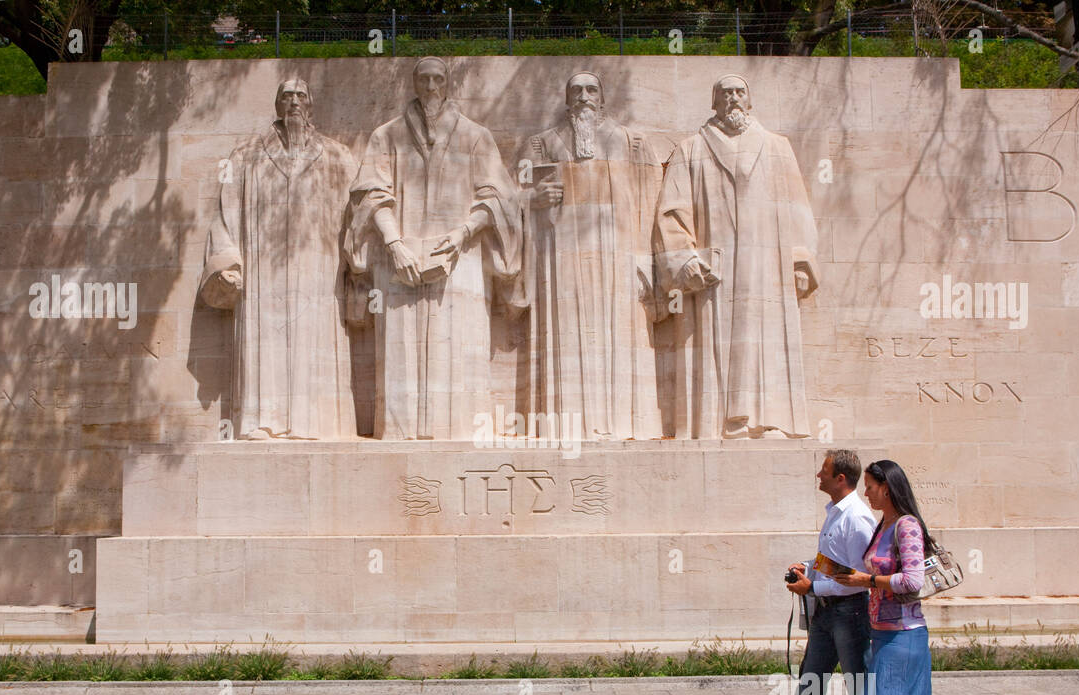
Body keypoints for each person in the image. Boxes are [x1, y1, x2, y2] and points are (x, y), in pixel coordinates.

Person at [344, 57, 520, 440]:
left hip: (461, 256)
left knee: (460, 351)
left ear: (448, 84)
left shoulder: (475, 136)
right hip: (399, 258)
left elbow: (498, 196)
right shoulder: (386, 135)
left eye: (438, 78)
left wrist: (462, 234)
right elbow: (371, 194)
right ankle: (400, 439)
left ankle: (461, 437)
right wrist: (393, 243)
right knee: (400, 355)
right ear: (414, 84)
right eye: (423, 78)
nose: (430, 86)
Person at [652, 74, 819, 439]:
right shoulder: (690, 150)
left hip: (767, 265)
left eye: (739, 92)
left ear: (750, 100)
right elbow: (671, 212)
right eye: (725, 93)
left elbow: (798, 208)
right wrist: (685, 259)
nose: (733, 99)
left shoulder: (777, 148)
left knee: (767, 335)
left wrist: (801, 260)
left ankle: (771, 419)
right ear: (714, 102)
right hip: (715, 270)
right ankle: (718, 424)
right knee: (716, 337)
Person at [199, 78, 359, 440]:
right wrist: (227, 263)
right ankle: (261, 421)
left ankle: (316, 423)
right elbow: (225, 214)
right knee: (264, 340)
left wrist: (357, 272)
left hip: (319, 272)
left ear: (311, 104)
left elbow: (358, 218)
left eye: (301, 96)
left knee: (314, 339)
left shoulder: (337, 155)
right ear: (276, 105)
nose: (294, 103)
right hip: (262, 272)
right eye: (286, 96)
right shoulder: (246, 155)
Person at [512, 71, 664, 439]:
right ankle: (564, 425)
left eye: (591, 89)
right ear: (567, 99)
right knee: (564, 333)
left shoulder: (633, 143)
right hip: (559, 257)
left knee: (620, 334)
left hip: (619, 256)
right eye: (576, 90)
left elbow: (651, 203)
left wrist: (647, 258)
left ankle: (624, 424)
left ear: (603, 98)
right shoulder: (541, 144)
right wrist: (533, 200)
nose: (583, 96)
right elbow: (510, 196)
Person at [808, 459, 945, 695]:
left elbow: (913, 581)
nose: (865, 491)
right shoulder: (882, 525)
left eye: (869, 485)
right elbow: (861, 572)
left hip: (904, 639)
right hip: (884, 633)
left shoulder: (907, 526)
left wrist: (868, 581)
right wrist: (825, 572)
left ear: (887, 487)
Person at [746, 450, 881, 695]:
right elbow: (834, 564)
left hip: (849, 615)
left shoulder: (857, 519)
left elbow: (857, 577)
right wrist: (810, 566)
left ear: (840, 479)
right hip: (827, 614)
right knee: (809, 691)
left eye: (824, 471)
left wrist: (813, 586)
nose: (817, 476)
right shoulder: (836, 514)